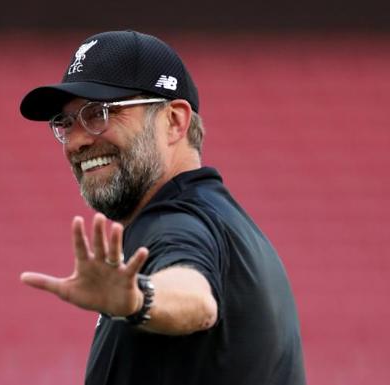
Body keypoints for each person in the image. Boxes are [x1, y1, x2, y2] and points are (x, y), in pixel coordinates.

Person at [18, 30, 306, 385]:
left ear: (174, 121)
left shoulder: (178, 223)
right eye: (65, 123)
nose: (76, 141)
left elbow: (195, 298)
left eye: (99, 113)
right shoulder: (223, 222)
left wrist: (140, 299)